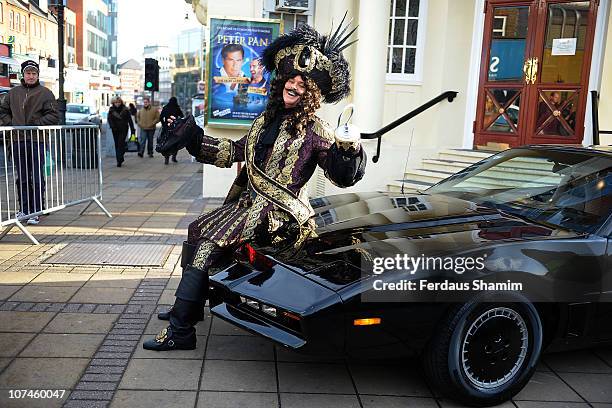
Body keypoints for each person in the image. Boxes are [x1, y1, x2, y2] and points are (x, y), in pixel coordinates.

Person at [145, 22, 365, 351]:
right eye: (290, 78)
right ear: (281, 82)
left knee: (206, 244)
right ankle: (187, 308)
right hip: (249, 207)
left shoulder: (317, 130)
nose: (294, 84)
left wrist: (348, 149)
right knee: (196, 229)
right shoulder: (264, 121)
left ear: (312, 93)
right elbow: (232, 152)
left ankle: (181, 331)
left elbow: (341, 175)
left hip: (280, 216)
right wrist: (191, 137)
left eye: (302, 83)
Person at [0, 60, 59, 225]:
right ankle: (24, 209)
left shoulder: (46, 93)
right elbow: (2, 111)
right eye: (28, 73)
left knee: (36, 177)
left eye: (34, 73)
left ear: (37, 75)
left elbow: (53, 116)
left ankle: (37, 210)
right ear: (23, 75)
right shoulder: (13, 93)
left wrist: (35, 125)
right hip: (17, 140)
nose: (31, 76)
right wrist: (11, 124)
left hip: (36, 141)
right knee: (23, 178)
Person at [107, 96, 135, 167]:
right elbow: (109, 120)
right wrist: (112, 126)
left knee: (120, 143)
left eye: (119, 102)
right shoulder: (111, 110)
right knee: (117, 144)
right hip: (115, 130)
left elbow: (130, 120)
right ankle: (119, 160)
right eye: (116, 102)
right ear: (113, 103)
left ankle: (120, 157)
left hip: (124, 129)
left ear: (121, 102)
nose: (117, 104)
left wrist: (132, 130)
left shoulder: (125, 109)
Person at [159, 97, 183, 164]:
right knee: (175, 143)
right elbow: (182, 116)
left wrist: (164, 124)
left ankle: (166, 158)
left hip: (167, 128)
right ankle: (174, 157)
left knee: (167, 142)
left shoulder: (165, 108)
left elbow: (161, 117)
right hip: (175, 128)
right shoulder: (177, 108)